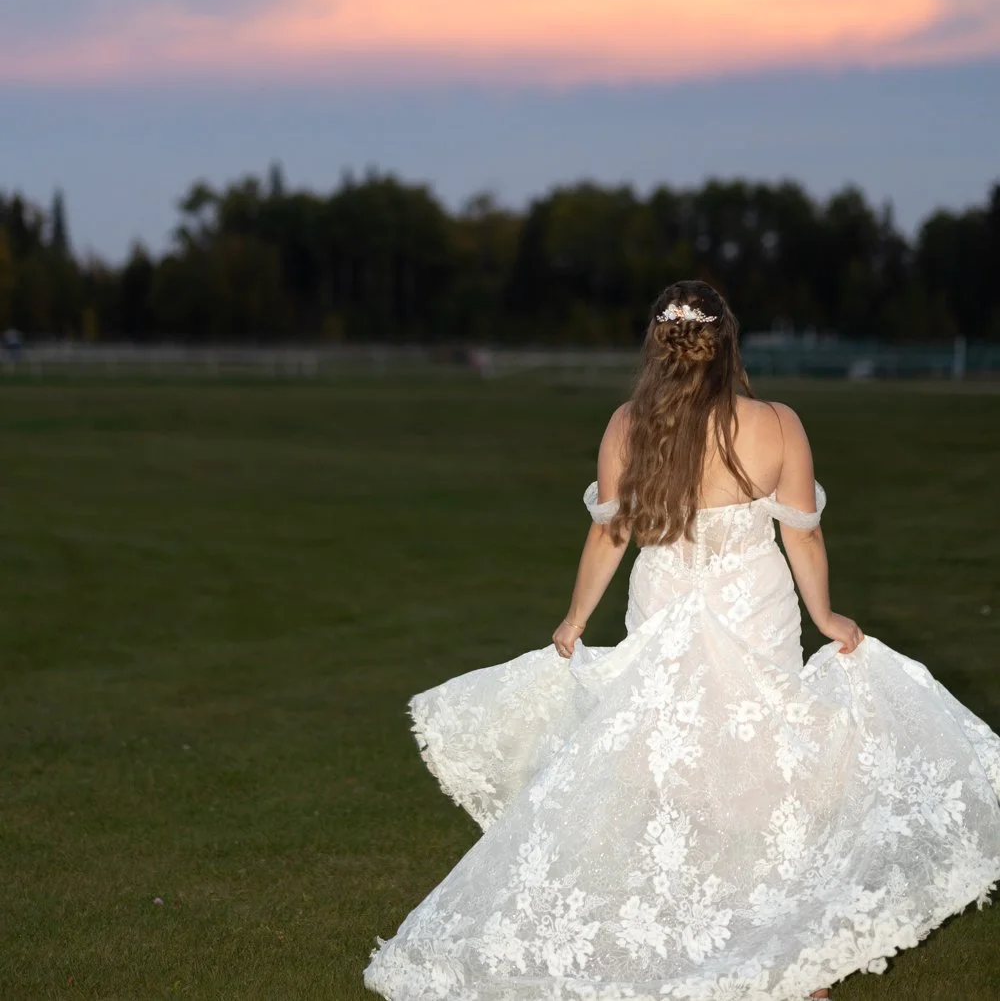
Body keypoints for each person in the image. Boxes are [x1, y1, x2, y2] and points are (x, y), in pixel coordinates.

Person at [365, 280, 1000, 1000]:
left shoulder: (628, 425)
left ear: (657, 346)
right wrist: (826, 616)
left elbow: (611, 534)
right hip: (753, 605)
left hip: (666, 601)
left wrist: (576, 619)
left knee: (673, 772)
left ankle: (718, 939)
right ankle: (782, 960)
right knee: (765, 771)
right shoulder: (778, 424)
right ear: (729, 343)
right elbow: (804, 532)